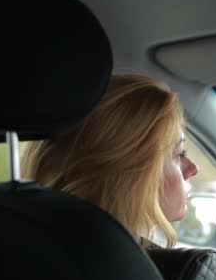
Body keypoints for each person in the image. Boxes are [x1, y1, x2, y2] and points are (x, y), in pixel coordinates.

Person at [22, 73, 198, 248]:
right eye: (180, 154)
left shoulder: (23, 238)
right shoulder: (123, 269)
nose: (193, 168)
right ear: (128, 169)